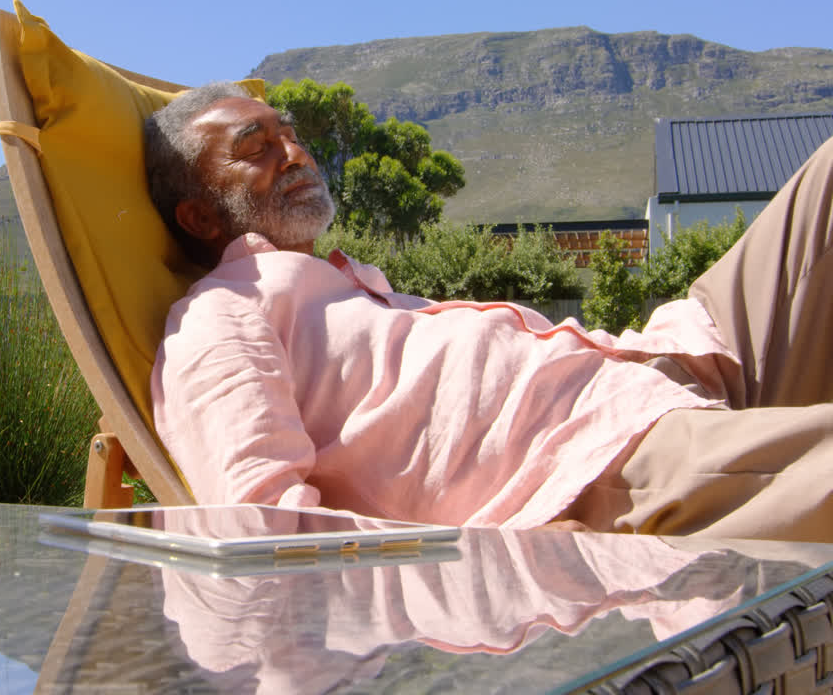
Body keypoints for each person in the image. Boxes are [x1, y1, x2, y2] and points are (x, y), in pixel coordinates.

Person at [143, 81, 833, 542]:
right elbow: (261, 524)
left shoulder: (351, 288)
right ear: (200, 215)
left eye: (288, 133)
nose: (295, 153)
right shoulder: (222, 315)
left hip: (670, 361)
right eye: (256, 149)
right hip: (607, 465)